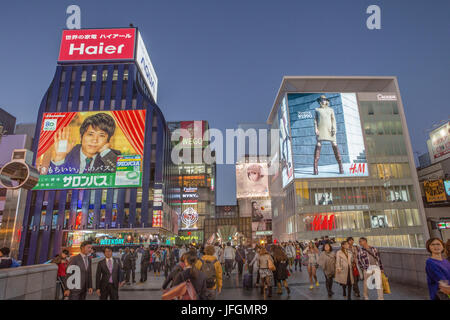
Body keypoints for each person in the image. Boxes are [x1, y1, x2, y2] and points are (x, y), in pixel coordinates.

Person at [49, 113, 121, 175]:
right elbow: (51, 182)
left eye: (101, 135)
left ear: (108, 140)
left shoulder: (111, 156)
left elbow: (124, 177)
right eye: (90, 134)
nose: (95, 140)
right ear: (81, 136)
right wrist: (60, 157)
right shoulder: (68, 153)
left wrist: (105, 152)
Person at [313, 95, 344, 175]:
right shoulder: (317, 109)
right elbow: (315, 120)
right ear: (320, 101)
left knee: (334, 143)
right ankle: (315, 167)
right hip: (320, 130)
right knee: (318, 144)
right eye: (321, 99)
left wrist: (334, 129)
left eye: (324, 99)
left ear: (327, 101)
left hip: (330, 130)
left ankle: (340, 165)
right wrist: (315, 129)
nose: (323, 101)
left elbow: (333, 120)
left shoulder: (331, 110)